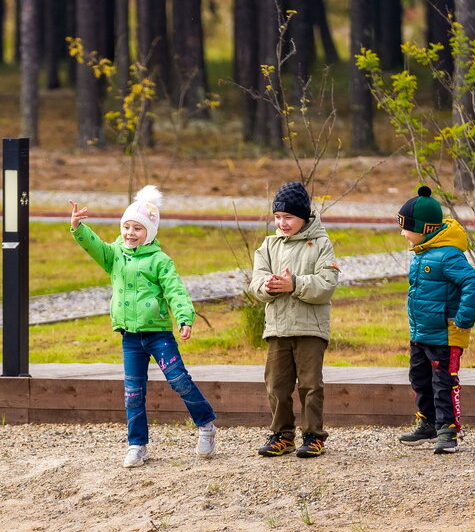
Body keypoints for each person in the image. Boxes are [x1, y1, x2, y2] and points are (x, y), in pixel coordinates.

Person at [69, 185, 218, 468]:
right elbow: (95, 246)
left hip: (158, 335)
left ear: (149, 232)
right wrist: (79, 229)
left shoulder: (160, 261)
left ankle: (206, 425)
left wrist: (184, 318)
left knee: (180, 382)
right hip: (130, 338)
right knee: (133, 393)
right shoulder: (115, 256)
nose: (130, 233)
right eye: (127, 227)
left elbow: (176, 291)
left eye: (138, 228)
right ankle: (137, 444)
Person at [248, 181, 340, 459]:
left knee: (311, 385)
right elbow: (256, 281)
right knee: (276, 384)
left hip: (310, 329)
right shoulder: (268, 245)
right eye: (277, 217)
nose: (282, 223)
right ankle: (281, 435)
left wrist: (295, 284)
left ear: (303, 216)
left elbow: (327, 282)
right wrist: (267, 286)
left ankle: (313, 436)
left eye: (288, 217)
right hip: (277, 328)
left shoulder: (321, 244)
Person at [395, 186, 475, 454]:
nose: (402, 233)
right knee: (419, 379)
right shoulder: (423, 252)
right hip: (422, 332)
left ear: (425, 228)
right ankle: (428, 424)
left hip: (445, 334)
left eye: (406, 227)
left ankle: (448, 431)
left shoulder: (447, 255)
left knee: (444, 380)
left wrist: (464, 318)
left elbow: (473, 282)